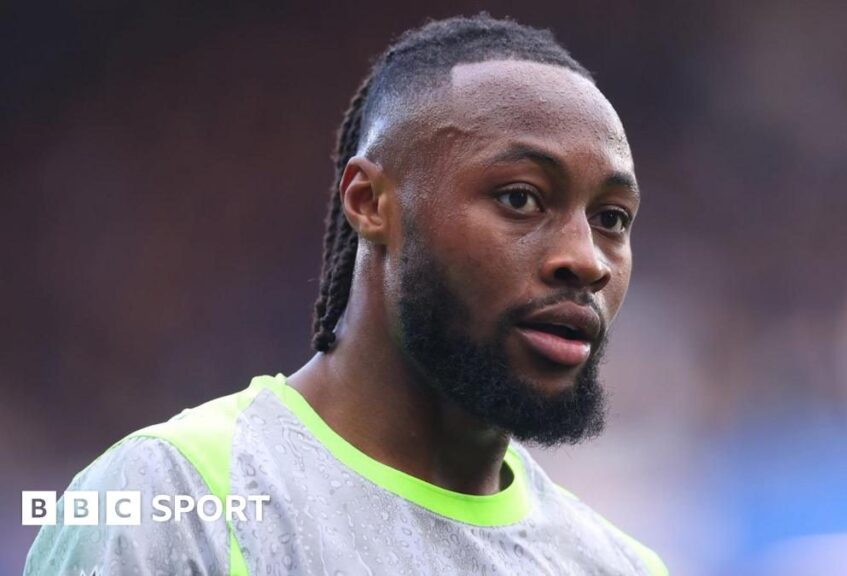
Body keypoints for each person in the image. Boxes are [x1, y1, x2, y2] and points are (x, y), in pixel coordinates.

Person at [25, 13, 667, 575]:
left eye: (611, 218)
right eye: (520, 198)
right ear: (370, 203)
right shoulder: (170, 499)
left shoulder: (616, 565)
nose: (584, 259)